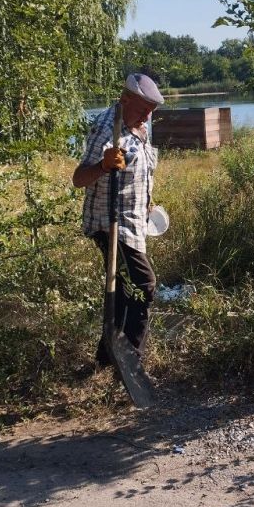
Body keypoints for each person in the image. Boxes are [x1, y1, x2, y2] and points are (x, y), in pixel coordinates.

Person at [72, 72, 164, 376]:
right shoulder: (105, 128)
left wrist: (148, 201)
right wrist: (103, 165)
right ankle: (130, 363)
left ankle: (105, 361)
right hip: (110, 223)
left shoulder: (141, 124)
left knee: (126, 291)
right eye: (142, 108)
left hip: (134, 220)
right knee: (142, 284)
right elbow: (79, 179)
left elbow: (141, 168)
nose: (148, 116)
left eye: (151, 109)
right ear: (124, 99)